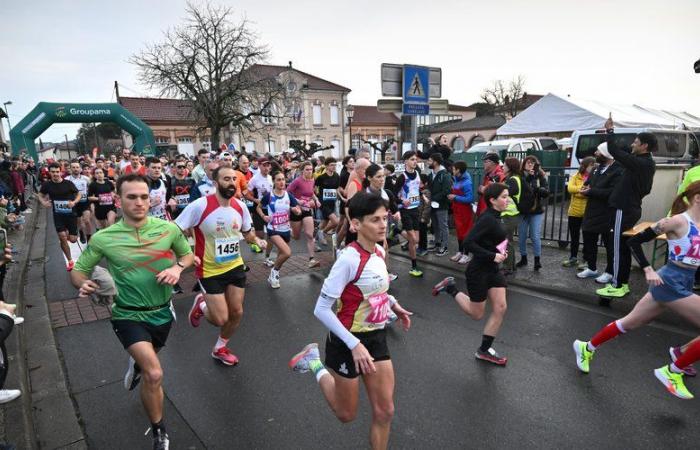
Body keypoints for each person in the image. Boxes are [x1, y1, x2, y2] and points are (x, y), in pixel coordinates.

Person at [70, 174, 194, 449]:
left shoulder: (168, 230)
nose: (139, 202)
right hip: (126, 314)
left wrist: (177, 268)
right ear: (118, 200)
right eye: (132, 197)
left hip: (162, 312)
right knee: (155, 374)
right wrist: (85, 283)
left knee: (149, 363)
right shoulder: (104, 238)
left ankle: (137, 364)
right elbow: (78, 270)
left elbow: (187, 256)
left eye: (144, 197)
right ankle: (159, 430)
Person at [288, 192, 413, 450]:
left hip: (375, 337)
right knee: (346, 414)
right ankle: (314, 363)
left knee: (385, 411)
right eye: (374, 220)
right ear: (355, 225)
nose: (382, 225)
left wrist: (393, 304)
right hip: (346, 340)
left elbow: (375, 289)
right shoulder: (348, 259)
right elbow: (321, 309)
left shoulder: (379, 250)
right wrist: (354, 344)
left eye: (384, 218)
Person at [573, 181, 700, 399]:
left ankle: (587, 347)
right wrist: (648, 269)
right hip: (670, 281)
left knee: (630, 322)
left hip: (682, 280)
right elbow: (634, 241)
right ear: (698, 198)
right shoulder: (677, 221)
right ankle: (673, 371)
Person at [175, 166, 267, 366]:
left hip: (235, 266)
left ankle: (219, 348)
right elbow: (175, 230)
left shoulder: (240, 206)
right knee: (219, 319)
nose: (232, 183)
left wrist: (256, 241)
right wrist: (186, 254)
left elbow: (247, 232)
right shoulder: (200, 206)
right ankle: (201, 304)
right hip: (209, 271)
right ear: (215, 183)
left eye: (234, 179)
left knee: (237, 313)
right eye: (226, 179)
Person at [432, 183, 510, 365]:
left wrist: (501, 252)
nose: (508, 200)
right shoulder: (487, 219)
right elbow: (468, 242)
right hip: (479, 271)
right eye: (504, 197)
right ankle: (450, 288)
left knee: (501, 307)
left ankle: (484, 350)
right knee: (477, 314)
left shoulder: (498, 216)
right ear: (492, 200)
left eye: (507, 196)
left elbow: (493, 239)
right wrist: (492, 255)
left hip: (493, 269)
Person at [596, 115, 657, 298]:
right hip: (627, 207)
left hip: (623, 209)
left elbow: (614, 150)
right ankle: (622, 284)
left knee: (616, 248)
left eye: (636, 142)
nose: (632, 145)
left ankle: (616, 284)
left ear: (644, 146)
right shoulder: (643, 163)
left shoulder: (641, 163)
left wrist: (610, 131)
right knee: (622, 248)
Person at [576, 144, 623, 281]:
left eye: (599, 151)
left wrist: (591, 191)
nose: (595, 153)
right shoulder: (596, 169)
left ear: (606, 154)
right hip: (591, 210)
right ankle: (591, 267)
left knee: (609, 244)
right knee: (589, 239)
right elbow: (588, 183)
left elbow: (613, 192)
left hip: (607, 212)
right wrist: (585, 188)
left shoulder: (618, 170)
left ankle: (610, 272)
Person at [258, 171, 301, 288]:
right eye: (278, 180)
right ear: (274, 182)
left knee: (280, 256)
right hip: (273, 229)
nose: (282, 182)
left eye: (283, 179)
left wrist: (296, 210)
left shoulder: (288, 195)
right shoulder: (269, 196)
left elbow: (297, 208)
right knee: (287, 252)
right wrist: (263, 216)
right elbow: (259, 207)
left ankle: (273, 276)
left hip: (286, 229)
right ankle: (274, 272)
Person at [39, 163, 80, 271]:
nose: (55, 174)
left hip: (71, 215)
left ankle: (71, 235)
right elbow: (40, 195)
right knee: (62, 236)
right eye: (53, 172)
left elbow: (78, 194)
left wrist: (74, 202)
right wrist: (44, 202)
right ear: (49, 173)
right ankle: (70, 261)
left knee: (73, 239)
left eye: (57, 172)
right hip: (58, 215)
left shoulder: (68, 183)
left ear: (60, 172)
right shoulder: (47, 185)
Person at [363, 164, 400, 281]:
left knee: (384, 249)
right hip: (368, 230)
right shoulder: (364, 195)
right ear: (369, 178)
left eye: (383, 176)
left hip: (384, 229)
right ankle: (370, 275)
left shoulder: (387, 193)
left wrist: (397, 213)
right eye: (378, 177)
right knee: (372, 252)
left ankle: (385, 272)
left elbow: (394, 207)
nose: (382, 179)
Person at [516, 155, 549, 271]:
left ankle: (537, 260)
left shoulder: (540, 175)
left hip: (536, 210)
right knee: (522, 236)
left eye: (533, 162)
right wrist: (530, 178)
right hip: (523, 211)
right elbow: (522, 190)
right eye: (528, 162)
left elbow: (546, 190)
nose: (530, 164)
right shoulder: (519, 176)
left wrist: (542, 190)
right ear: (524, 164)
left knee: (535, 236)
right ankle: (523, 258)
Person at [288, 161, 322, 268]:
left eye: (311, 169)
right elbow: (287, 193)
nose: (309, 171)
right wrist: (297, 201)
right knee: (296, 236)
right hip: (296, 210)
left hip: (307, 209)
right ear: (302, 170)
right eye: (307, 169)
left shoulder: (312, 180)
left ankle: (311, 259)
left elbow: (311, 192)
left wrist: (316, 200)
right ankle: (288, 230)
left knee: (309, 234)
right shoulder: (297, 181)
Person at [394, 151, 423, 277]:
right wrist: (402, 200)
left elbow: (416, 189)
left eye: (415, 159)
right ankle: (398, 231)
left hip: (415, 209)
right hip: (405, 210)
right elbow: (393, 194)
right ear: (406, 161)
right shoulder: (402, 177)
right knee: (413, 239)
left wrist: (422, 196)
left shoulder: (417, 173)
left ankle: (414, 267)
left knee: (415, 241)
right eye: (412, 159)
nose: (415, 162)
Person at [563, 157, 595, 267]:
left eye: (593, 165)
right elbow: (570, 188)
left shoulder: (594, 177)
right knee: (574, 237)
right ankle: (573, 258)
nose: (592, 167)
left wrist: (579, 192)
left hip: (588, 212)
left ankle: (586, 260)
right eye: (590, 165)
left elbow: (592, 192)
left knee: (587, 238)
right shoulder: (576, 176)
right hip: (574, 212)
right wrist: (583, 191)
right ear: (585, 166)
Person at [500, 158, 524, 274]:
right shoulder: (512, 179)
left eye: (504, 166)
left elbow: (504, 193)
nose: (502, 167)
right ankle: (511, 266)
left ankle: (507, 267)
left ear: (510, 167)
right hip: (509, 215)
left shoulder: (513, 180)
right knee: (507, 241)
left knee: (504, 241)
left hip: (509, 215)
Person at [449, 161, 474, 265]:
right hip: (457, 210)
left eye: (454, 169)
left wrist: (455, 197)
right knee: (459, 232)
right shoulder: (456, 179)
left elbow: (470, 198)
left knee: (466, 233)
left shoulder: (467, 182)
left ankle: (466, 255)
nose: (452, 170)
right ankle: (460, 252)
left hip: (465, 212)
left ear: (458, 170)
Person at [427, 153, 452, 257]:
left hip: (441, 205)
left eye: (429, 160)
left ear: (435, 162)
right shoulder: (431, 174)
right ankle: (437, 244)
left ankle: (445, 247)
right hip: (432, 205)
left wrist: (433, 198)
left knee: (443, 226)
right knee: (435, 225)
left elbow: (446, 190)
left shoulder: (445, 174)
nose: (428, 162)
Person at [314, 157, 341, 246]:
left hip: (332, 202)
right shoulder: (321, 177)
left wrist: (341, 198)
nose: (334, 167)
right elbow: (314, 188)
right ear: (326, 166)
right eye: (331, 165)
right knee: (336, 222)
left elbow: (337, 189)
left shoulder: (336, 176)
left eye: (335, 165)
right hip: (323, 203)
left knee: (325, 221)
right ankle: (323, 233)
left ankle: (316, 239)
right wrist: (317, 198)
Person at [66, 161, 93, 243]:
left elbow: (92, 188)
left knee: (87, 220)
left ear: (80, 169)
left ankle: (89, 237)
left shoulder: (86, 178)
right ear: (70, 169)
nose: (75, 169)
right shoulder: (67, 180)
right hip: (74, 203)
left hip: (85, 202)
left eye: (77, 167)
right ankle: (81, 232)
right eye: (73, 167)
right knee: (80, 222)